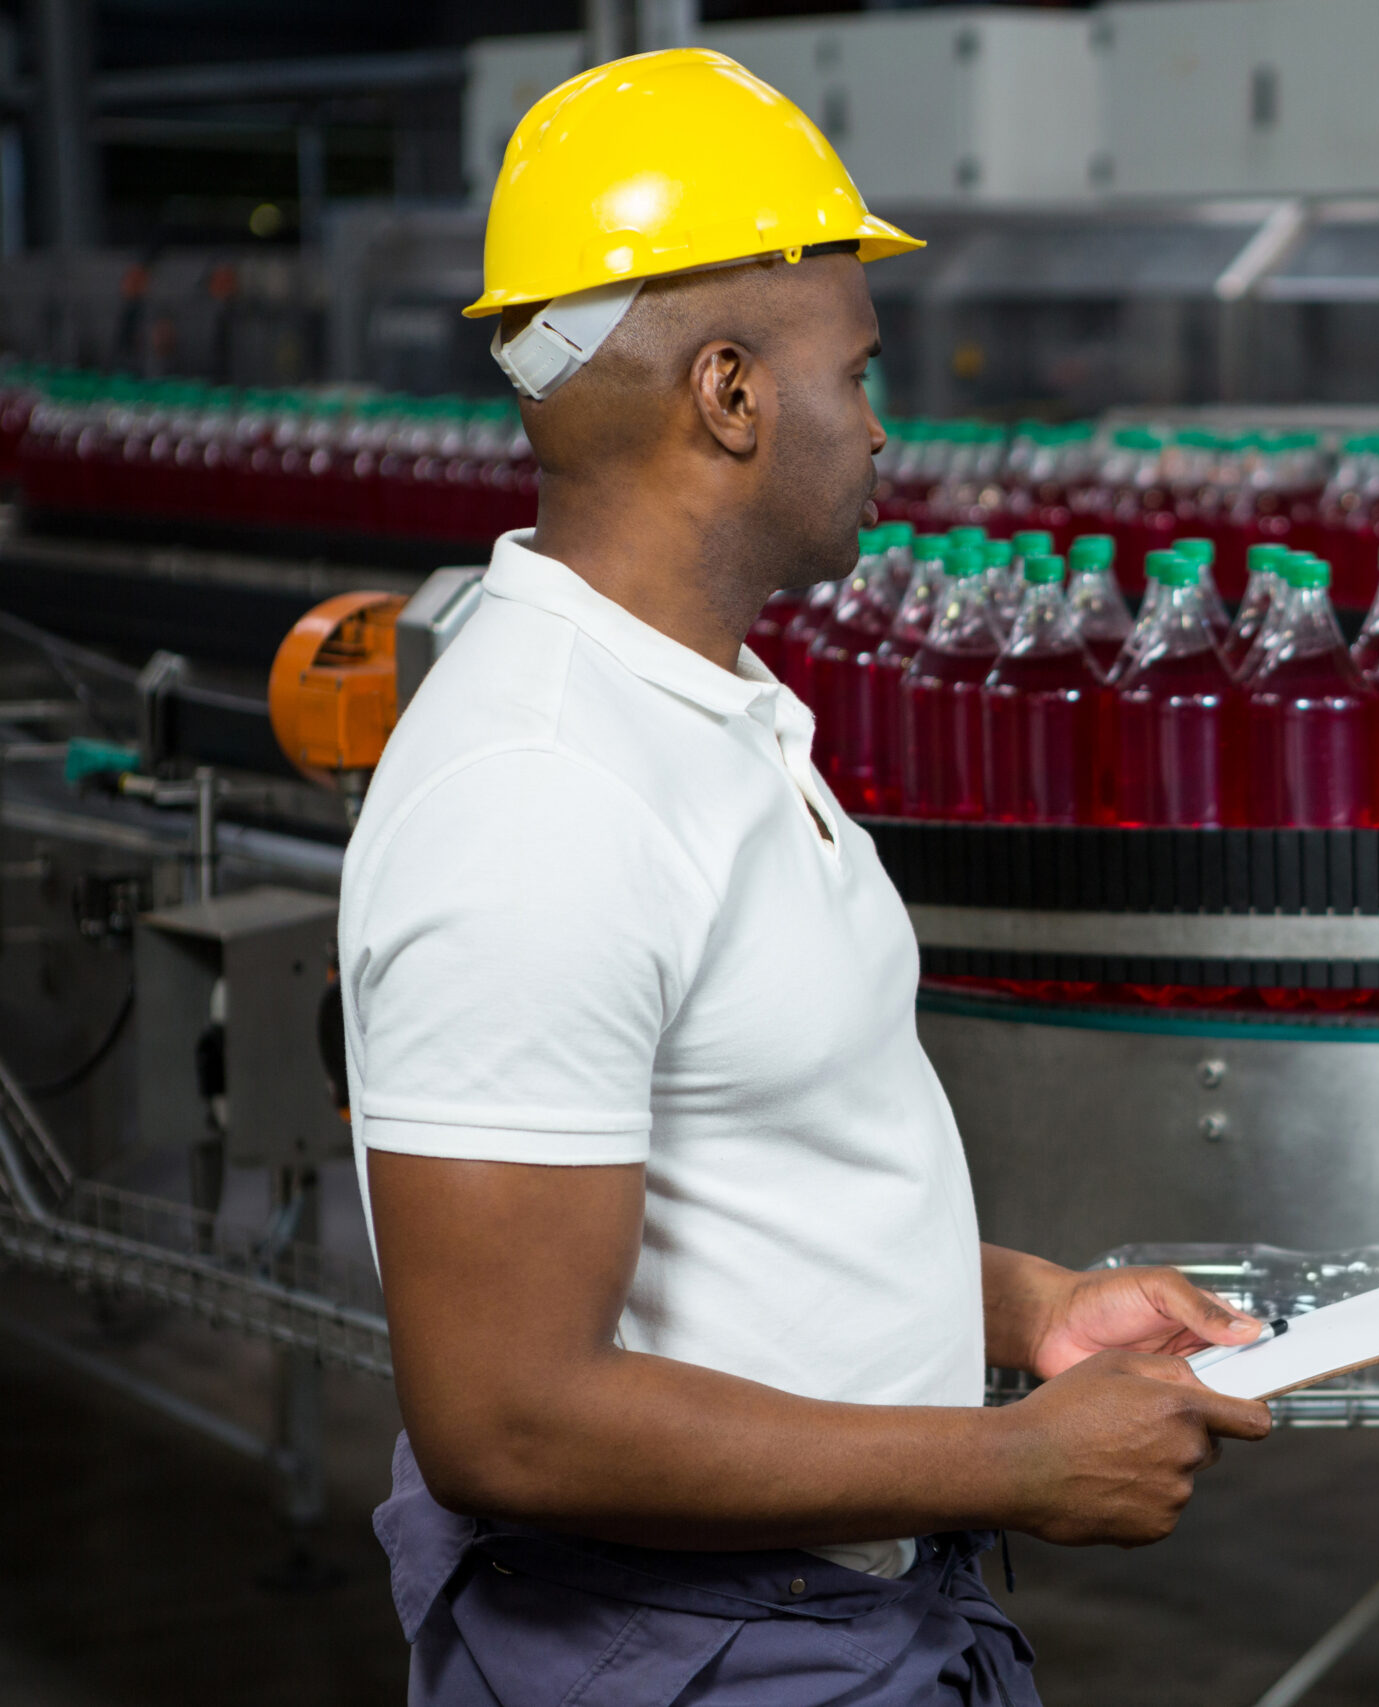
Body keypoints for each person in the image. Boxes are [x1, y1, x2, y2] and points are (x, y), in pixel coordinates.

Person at [341, 49, 1271, 1705]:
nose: (884, 422)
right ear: (731, 395)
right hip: (694, 1657)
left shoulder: (707, 713)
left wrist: (1031, 1315)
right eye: (857, 369)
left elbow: (747, 1187)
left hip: (835, 1618)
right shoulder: (541, 788)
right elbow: (504, 1414)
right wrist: (1016, 1469)